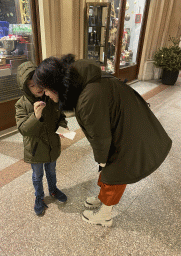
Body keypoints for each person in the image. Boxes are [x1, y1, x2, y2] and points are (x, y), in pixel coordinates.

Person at [33, 54, 172, 226]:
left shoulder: (88, 97)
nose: (45, 95)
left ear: (56, 86)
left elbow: (100, 136)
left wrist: (102, 160)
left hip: (130, 134)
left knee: (114, 174)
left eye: (46, 90)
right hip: (125, 124)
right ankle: (102, 199)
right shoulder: (84, 80)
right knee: (107, 171)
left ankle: (105, 215)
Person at [15, 61, 68, 216]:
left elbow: (61, 116)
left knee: (51, 171)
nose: (37, 88)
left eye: (38, 83)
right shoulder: (21, 105)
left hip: (52, 145)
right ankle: (39, 197)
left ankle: (53, 190)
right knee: (37, 176)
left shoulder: (51, 98)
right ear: (25, 87)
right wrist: (35, 116)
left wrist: (64, 127)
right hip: (35, 149)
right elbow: (23, 129)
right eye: (31, 85)